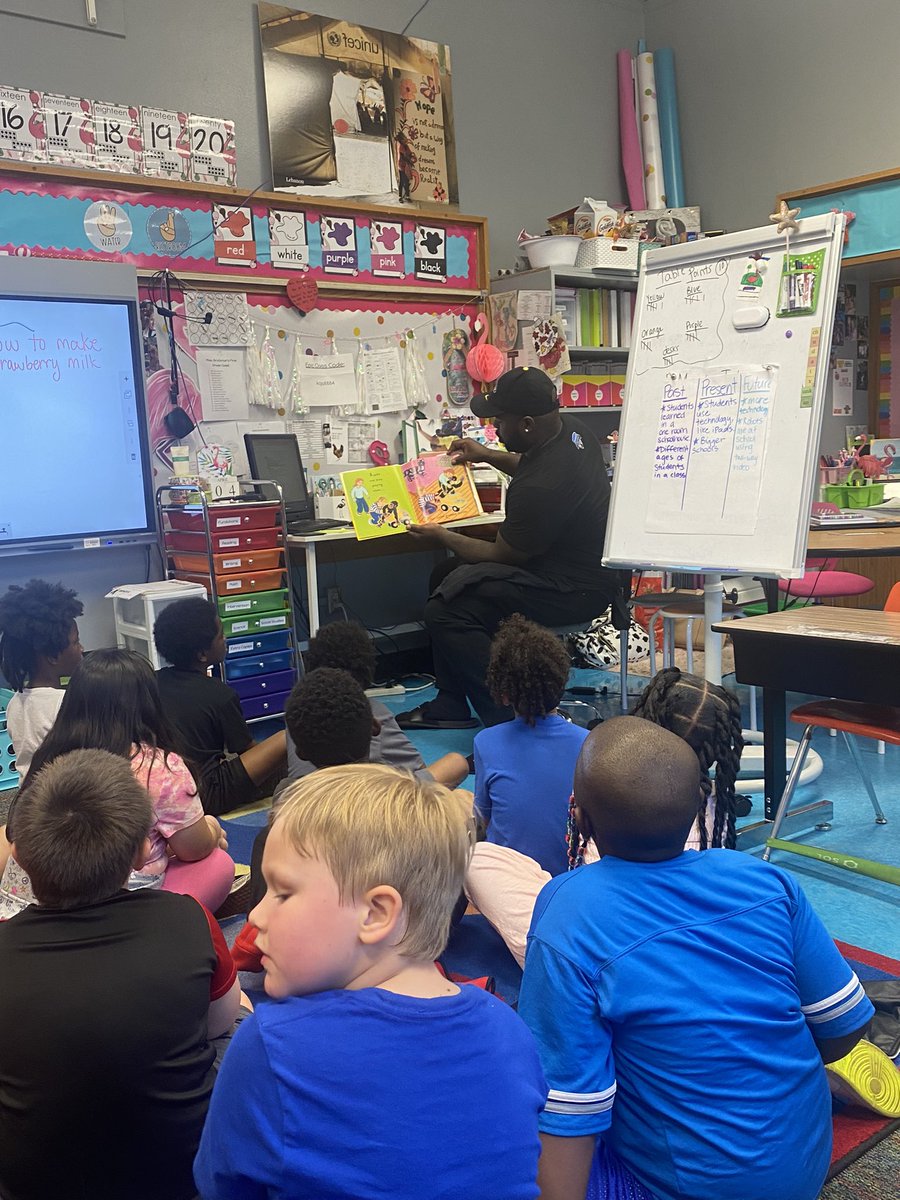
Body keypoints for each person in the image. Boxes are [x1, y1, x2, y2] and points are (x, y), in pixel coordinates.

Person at [517, 717, 874, 1200]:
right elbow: (846, 1026)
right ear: (700, 805)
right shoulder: (765, 881)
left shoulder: (568, 910)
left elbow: (569, 1108)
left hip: (679, 1185)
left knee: (487, 1129)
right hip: (803, 1168)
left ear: (579, 818)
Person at [194, 763, 547, 1200]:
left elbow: (224, 1186)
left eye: (282, 893)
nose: (257, 915)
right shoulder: (510, 1029)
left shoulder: (270, 1047)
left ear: (377, 914)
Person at [0, 748, 240, 1200]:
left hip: (34, 1184)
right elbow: (217, 1025)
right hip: (182, 1174)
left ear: (20, 856)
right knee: (240, 1017)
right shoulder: (188, 919)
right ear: (141, 850)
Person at [465, 667, 746, 968]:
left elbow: (592, 893)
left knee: (477, 857)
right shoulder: (719, 815)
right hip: (679, 950)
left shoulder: (612, 793)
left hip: (595, 954)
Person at [398, 366, 621, 730]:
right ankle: (451, 701)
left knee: (447, 609)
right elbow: (532, 464)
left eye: (500, 421)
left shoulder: (540, 490)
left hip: (571, 591)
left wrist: (441, 536)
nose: (496, 428)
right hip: (583, 572)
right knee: (446, 575)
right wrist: (485, 454)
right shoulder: (574, 432)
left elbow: (503, 555)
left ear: (528, 424)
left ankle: (510, 721)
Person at [0, 649, 235, 916]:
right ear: (149, 704)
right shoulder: (156, 767)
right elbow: (195, 849)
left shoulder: (51, 752)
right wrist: (213, 829)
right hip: (114, 905)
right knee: (218, 863)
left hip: (28, 903)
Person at [281, 621, 468, 791]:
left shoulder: (298, 717)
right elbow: (422, 771)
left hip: (307, 799)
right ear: (374, 726)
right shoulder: (371, 711)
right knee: (456, 764)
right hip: (374, 798)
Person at [474, 614, 587, 875]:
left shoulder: (485, 742)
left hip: (505, 881)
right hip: (568, 879)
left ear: (503, 695)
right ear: (561, 681)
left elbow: (483, 819)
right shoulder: (589, 743)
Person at [153, 596, 287, 816]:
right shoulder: (220, 694)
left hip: (165, 788)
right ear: (202, 654)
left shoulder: (151, 681)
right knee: (283, 742)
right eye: (221, 635)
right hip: (207, 793)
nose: (226, 639)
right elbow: (246, 749)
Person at [0, 578, 83, 781]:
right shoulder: (64, 704)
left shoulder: (15, 703)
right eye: (76, 642)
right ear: (53, 657)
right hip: (57, 801)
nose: (81, 649)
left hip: (29, 799)